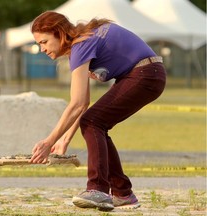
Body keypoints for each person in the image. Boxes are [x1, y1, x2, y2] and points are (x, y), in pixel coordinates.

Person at [29, 11, 166, 211]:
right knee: (94, 122)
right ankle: (122, 193)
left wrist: (48, 140)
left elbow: (76, 104)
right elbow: (83, 104)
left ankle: (98, 190)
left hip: (145, 75)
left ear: (59, 33)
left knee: (93, 122)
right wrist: (64, 140)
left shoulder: (81, 45)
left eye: (44, 42)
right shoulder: (84, 40)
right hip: (146, 74)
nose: (41, 49)